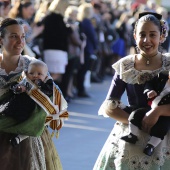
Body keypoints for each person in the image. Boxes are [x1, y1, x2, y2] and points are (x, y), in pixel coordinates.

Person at [93, 12, 170, 170]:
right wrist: (136, 121)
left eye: (152, 35)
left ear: (162, 37)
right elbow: (110, 104)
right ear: (135, 36)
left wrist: (157, 113)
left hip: (165, 133)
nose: (146, 40)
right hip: (131, 132)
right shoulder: (126, 65)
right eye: (142, 35)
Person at [0, 17, 67, 170]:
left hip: (27, 138)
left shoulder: (33, 65)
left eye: (22, 36)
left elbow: (53, 97)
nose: (20, 41)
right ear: (0, 40)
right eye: (13, 36)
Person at [0, 60, 53, 147]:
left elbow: (49, 92)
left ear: (46, 76)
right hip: (17, 105)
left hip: (33, 110)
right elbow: (13, 87)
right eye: (31, 73)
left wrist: (39, 84)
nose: (35, 76)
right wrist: (19, 89)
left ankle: (19, 138)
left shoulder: (47, 83)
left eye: (39, 74)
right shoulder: (23, 79)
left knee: (32, 124)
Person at [120, 70, 170, 156]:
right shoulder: (161, 78)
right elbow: (149, 84)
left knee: (162, 128)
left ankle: (151, 146)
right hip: (150, 107)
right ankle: (132, 135)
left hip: (166, 116)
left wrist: (158, 111)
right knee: (136, 114)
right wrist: (149, 91)